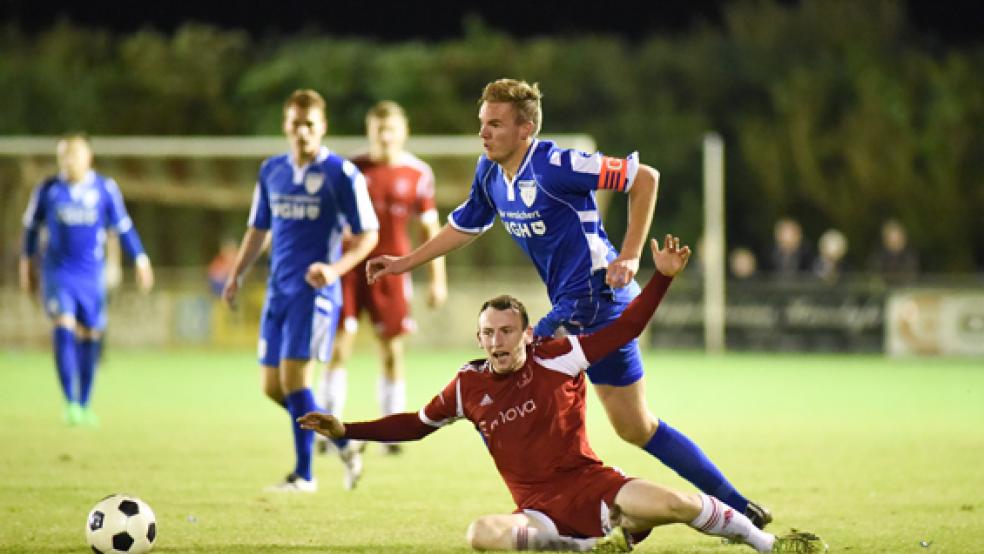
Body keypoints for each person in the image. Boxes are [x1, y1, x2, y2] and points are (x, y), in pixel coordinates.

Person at [366, 78, 771, 526]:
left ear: (526, 130)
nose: (483, 133)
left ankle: (577, 511)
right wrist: (406, 263)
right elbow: (465, 226)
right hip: (576, 306)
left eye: (495, 124)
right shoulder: (490, 172)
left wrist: (632, 254)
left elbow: (645, 179)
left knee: (514, 382)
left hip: (595, 300)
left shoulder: (557, 164)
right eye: (482, 123)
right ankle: (731, 505)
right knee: (634, 427)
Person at [302, 236, 825, 553]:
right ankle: (585, 549)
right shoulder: (468, 385)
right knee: (480, 533)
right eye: (488, 333)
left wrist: (660, 280)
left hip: (596, 487)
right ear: (479, 338)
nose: (497, 341)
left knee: (679, 503)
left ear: (528, 335)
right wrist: (349, 429)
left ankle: (769, 544)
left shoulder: (561, 355)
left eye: (507, 331)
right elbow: (416, 423)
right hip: (538, 512)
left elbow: (624, 331)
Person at [221, 89, 380, 492]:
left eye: (310, 124)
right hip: (278, 292)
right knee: (272, 387)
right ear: (285, 126)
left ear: (322, 127)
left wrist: (335, 269)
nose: (302, 131)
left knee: (295, 380)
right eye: (295, 123)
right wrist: (237, 273)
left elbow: (369, 235)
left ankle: (304, 475)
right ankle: (343, 439)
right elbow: (258, 229)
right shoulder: (271, 170)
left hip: (315, 295)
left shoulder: (341, 174)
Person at [318, 101, 447, 455]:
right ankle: (328, 430)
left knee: (391, 350)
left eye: (391, 129)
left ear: (403, 131)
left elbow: (430, 229)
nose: (385, 136)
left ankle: (391, 431)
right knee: (339, 344)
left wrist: (438, 279)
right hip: (349, 269)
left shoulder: (418, 174)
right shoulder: (350, 168)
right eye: (379, 129)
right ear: (370, 130)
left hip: (391, 269)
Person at [19, 133, 154, 426]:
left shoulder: (105, 189)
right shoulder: (48, 189)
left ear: (88, 157)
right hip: (58, 273)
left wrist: (141, 260)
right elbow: (30, 230)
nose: (69, 160)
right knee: (64, 326)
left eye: (75, 154)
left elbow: (124, 228)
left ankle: (85, 402)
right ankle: (70, 402)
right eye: (64, 155)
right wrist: (26, 265)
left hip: (92, 275)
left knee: (91, 336)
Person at [866, 219, 918, 283]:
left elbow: (910, 277)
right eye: (892, 240)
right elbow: (873, 276)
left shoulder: (910, 257)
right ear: (885, 240)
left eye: (897, 239)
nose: (895, 243)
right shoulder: (877, 257)